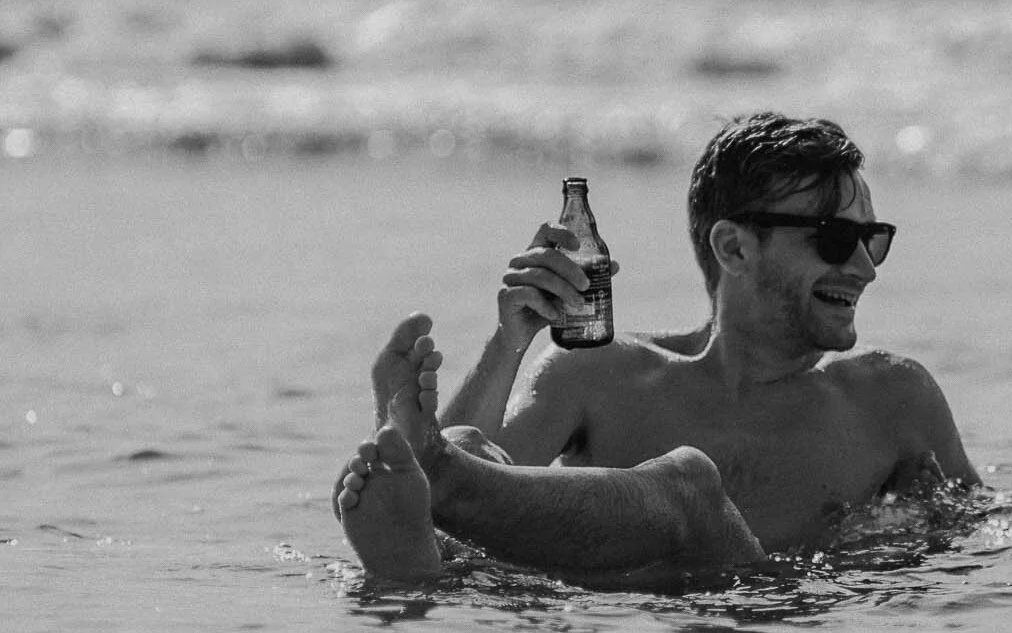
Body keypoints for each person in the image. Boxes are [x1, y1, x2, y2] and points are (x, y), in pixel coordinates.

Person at [332, 111, 978, 584]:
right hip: (606, 620)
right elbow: (465, 487)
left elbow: (975, 538)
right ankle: (418, 571)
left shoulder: (889, 396)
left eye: (875, 240)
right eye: (838, 239)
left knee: (690, 486)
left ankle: (424, 542)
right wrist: (511, 342)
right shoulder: (605, 374)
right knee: (471, 449)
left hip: (749, 592)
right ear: (734, 248)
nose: (865, 268)